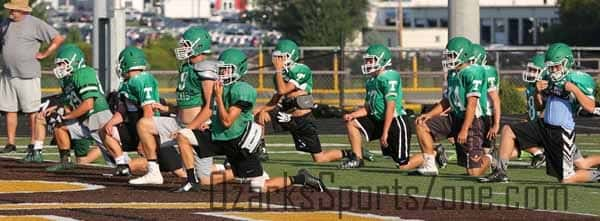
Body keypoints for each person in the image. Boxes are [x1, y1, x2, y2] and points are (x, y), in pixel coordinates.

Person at [174, 48, 326, 192]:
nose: (223, 73)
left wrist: (219, 98)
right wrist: (205, 125)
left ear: (239, 70)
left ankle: (301, 178)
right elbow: (213, 112)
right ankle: (192, 181)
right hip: (219, 137)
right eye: (221, 69)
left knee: (259, 187)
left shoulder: (242, 89)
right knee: (183, 136)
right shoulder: (219, 86)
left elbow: (227, 121)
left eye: (228, 69)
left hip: (238, 143)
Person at [481, 43, 600, 183]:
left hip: (561, 133)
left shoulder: (577, 79)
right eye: (551, 67)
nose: (554, 70)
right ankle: (500, 172)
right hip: (543, 126)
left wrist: (573, 89)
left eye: (557, 66)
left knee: (568, 177)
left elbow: (590, 106)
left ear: (567, 63)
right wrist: (538, 92)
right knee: (508, 130)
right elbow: (540, 107)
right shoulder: (549, 78)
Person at [133, 27, 217, 185]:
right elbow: (186, 104)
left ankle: (239, 172)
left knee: (205, 180)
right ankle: (154, 172)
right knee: (144, 124)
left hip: (197, 129)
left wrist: (188, 129)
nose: (183, 48)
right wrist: (167, 109)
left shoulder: (206, 69)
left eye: (186, 45)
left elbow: (209, 108)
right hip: (178, 123)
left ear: (198, 46)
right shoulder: (185, 67)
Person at [254, 39, 352, 163]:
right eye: (276, 57)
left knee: (319, 158)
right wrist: (261, 110)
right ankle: (261, 150)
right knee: (258, 114)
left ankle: (350, 153)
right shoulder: (278, 75)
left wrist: (278, 71)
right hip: (286, 115)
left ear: (291, 56)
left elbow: (283, 90)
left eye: (281, 57)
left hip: (303, 118)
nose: (278, 60)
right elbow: (275, 99)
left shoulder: (301, 69)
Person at [100, 46, 184, 183]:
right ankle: (122, 166)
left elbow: (148, 110)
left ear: (125, 64)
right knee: (104, 130)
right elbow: (123, 111)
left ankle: (220, 169)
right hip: (134, 127)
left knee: (180, 172)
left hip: (151, 131)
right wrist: (110, 123)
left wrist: (142, 140)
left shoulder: (143, 80)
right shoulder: (126, 84)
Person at [413, 36, 490, 176]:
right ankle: (430, 165)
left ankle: (491, 158)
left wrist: (464, 129)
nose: (449, 59)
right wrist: (429, 114)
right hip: (455, 117)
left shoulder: (473, 72)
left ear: (464, 55)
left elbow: (472, 104)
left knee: (474, 172)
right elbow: (448, 100)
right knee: (421, 124)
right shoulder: (453, 73)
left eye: (452, 55)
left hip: (472, 121)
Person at [0, 0, 64, 153]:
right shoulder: (5, 23)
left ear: (23, 11)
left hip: (28, 75)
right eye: (11, 10)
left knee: (32, 111)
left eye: (14, 10)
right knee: (10, 109)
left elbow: (58, 38)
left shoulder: (35, 23)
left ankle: (34, 142)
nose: (11, 13)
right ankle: (10, 143)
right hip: (8, 73)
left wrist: (45, 53)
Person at [340, 44, 412, 169]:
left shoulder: (390, 77)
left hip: (395, 121)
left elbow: (390, 107)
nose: (367, 63)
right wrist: (352, 115)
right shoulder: (370, 81)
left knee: (403, 165)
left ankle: (433, 153)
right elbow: (368, 108)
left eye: (370, 60)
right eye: (366, 60)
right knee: (351, 122)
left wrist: (384, 132)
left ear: (382, 60)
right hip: (380, 119)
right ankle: (357, 158)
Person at [43, 44, 113, 172]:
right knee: (59, 126)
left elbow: (88, 104)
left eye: (62, 64)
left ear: (74, 61)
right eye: (58, 65)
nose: (59, 68)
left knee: (119, 162)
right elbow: (69, 100)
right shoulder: (67, 79)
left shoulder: (84, 73)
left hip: (97, 117)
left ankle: (152, 166)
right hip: (84, 119)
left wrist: (65, 116)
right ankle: (65, 161)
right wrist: (56, 108)